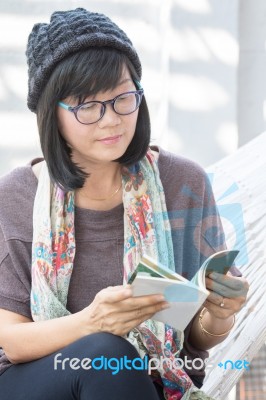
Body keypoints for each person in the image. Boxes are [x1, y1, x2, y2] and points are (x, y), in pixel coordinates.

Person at [0, 8, 249, 400]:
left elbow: (195, 339)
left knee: (119, 362)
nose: (110, 119)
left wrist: (218, 312)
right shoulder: (17, 194)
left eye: (122, 98)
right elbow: (12, 342)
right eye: (87, 105)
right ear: (53, 114)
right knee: (108, 353)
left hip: (149, 381)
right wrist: (94, 322)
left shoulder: (182, 183)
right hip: (37, 380)